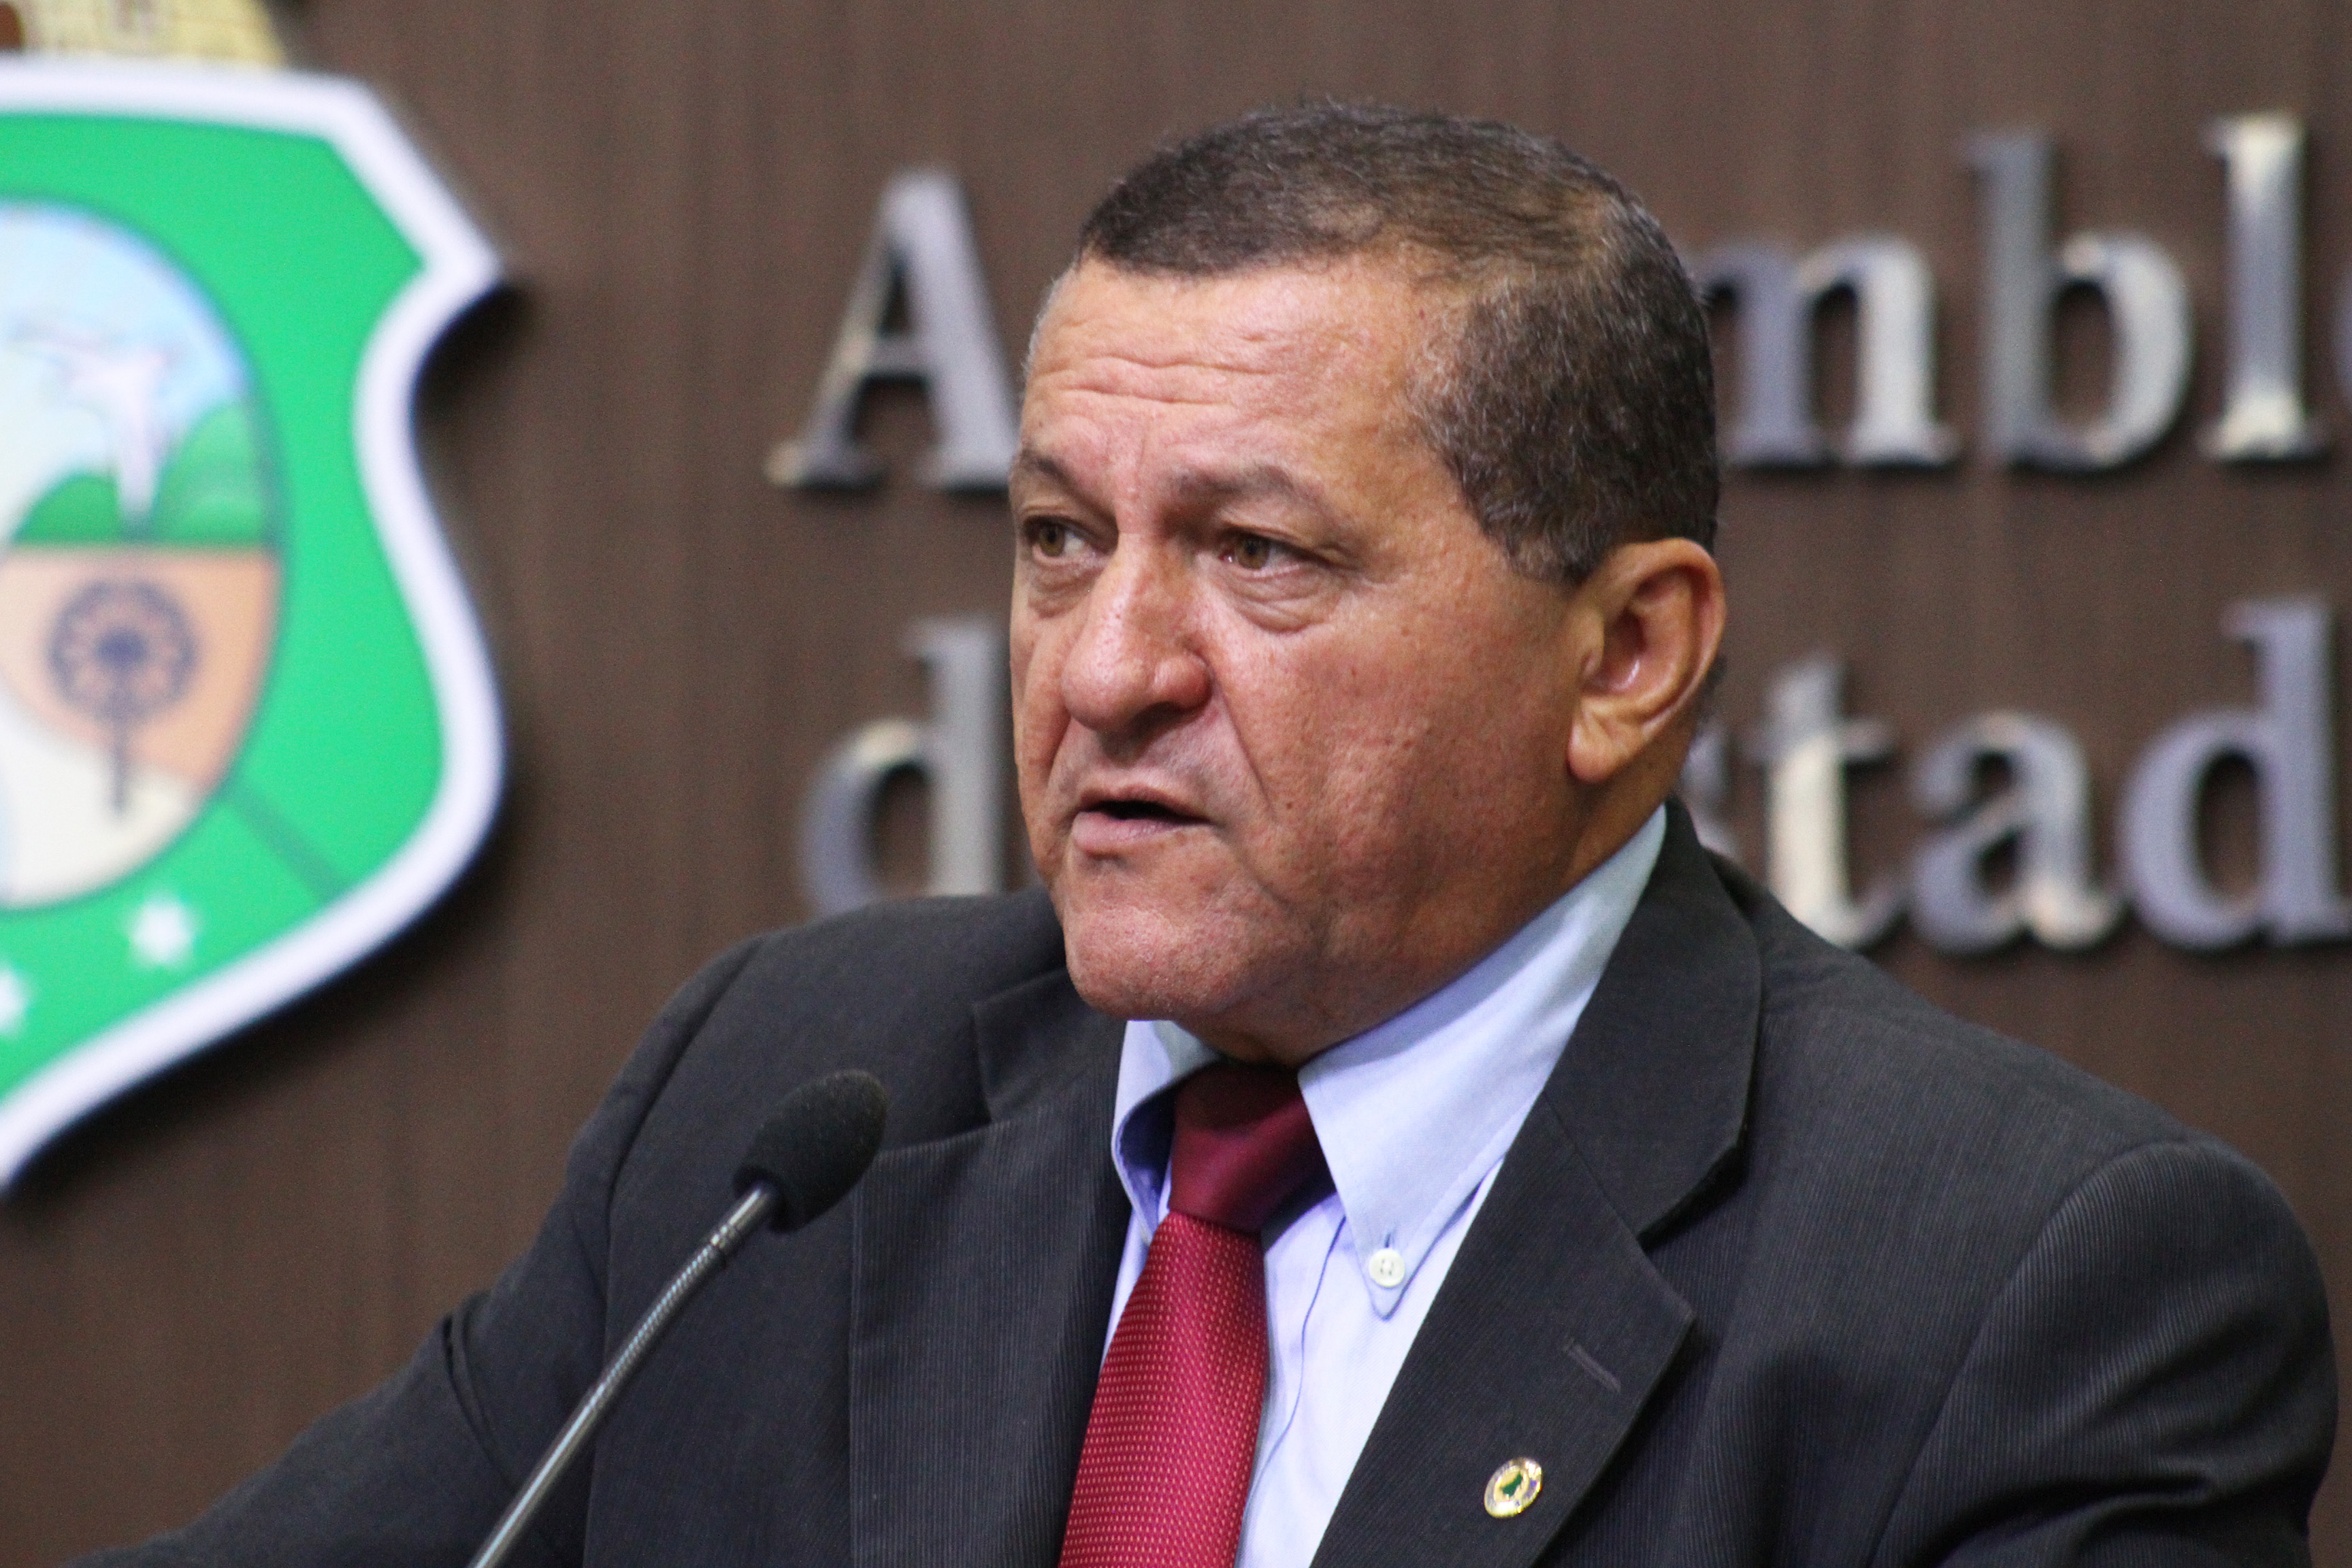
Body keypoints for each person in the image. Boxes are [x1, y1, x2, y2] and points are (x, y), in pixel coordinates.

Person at [84, 103, 2332, 1568]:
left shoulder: (2030, 1295)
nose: (1103, 671)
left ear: (1628, 655)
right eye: (1062, 542)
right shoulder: (782, 1105)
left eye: (1259, 557)